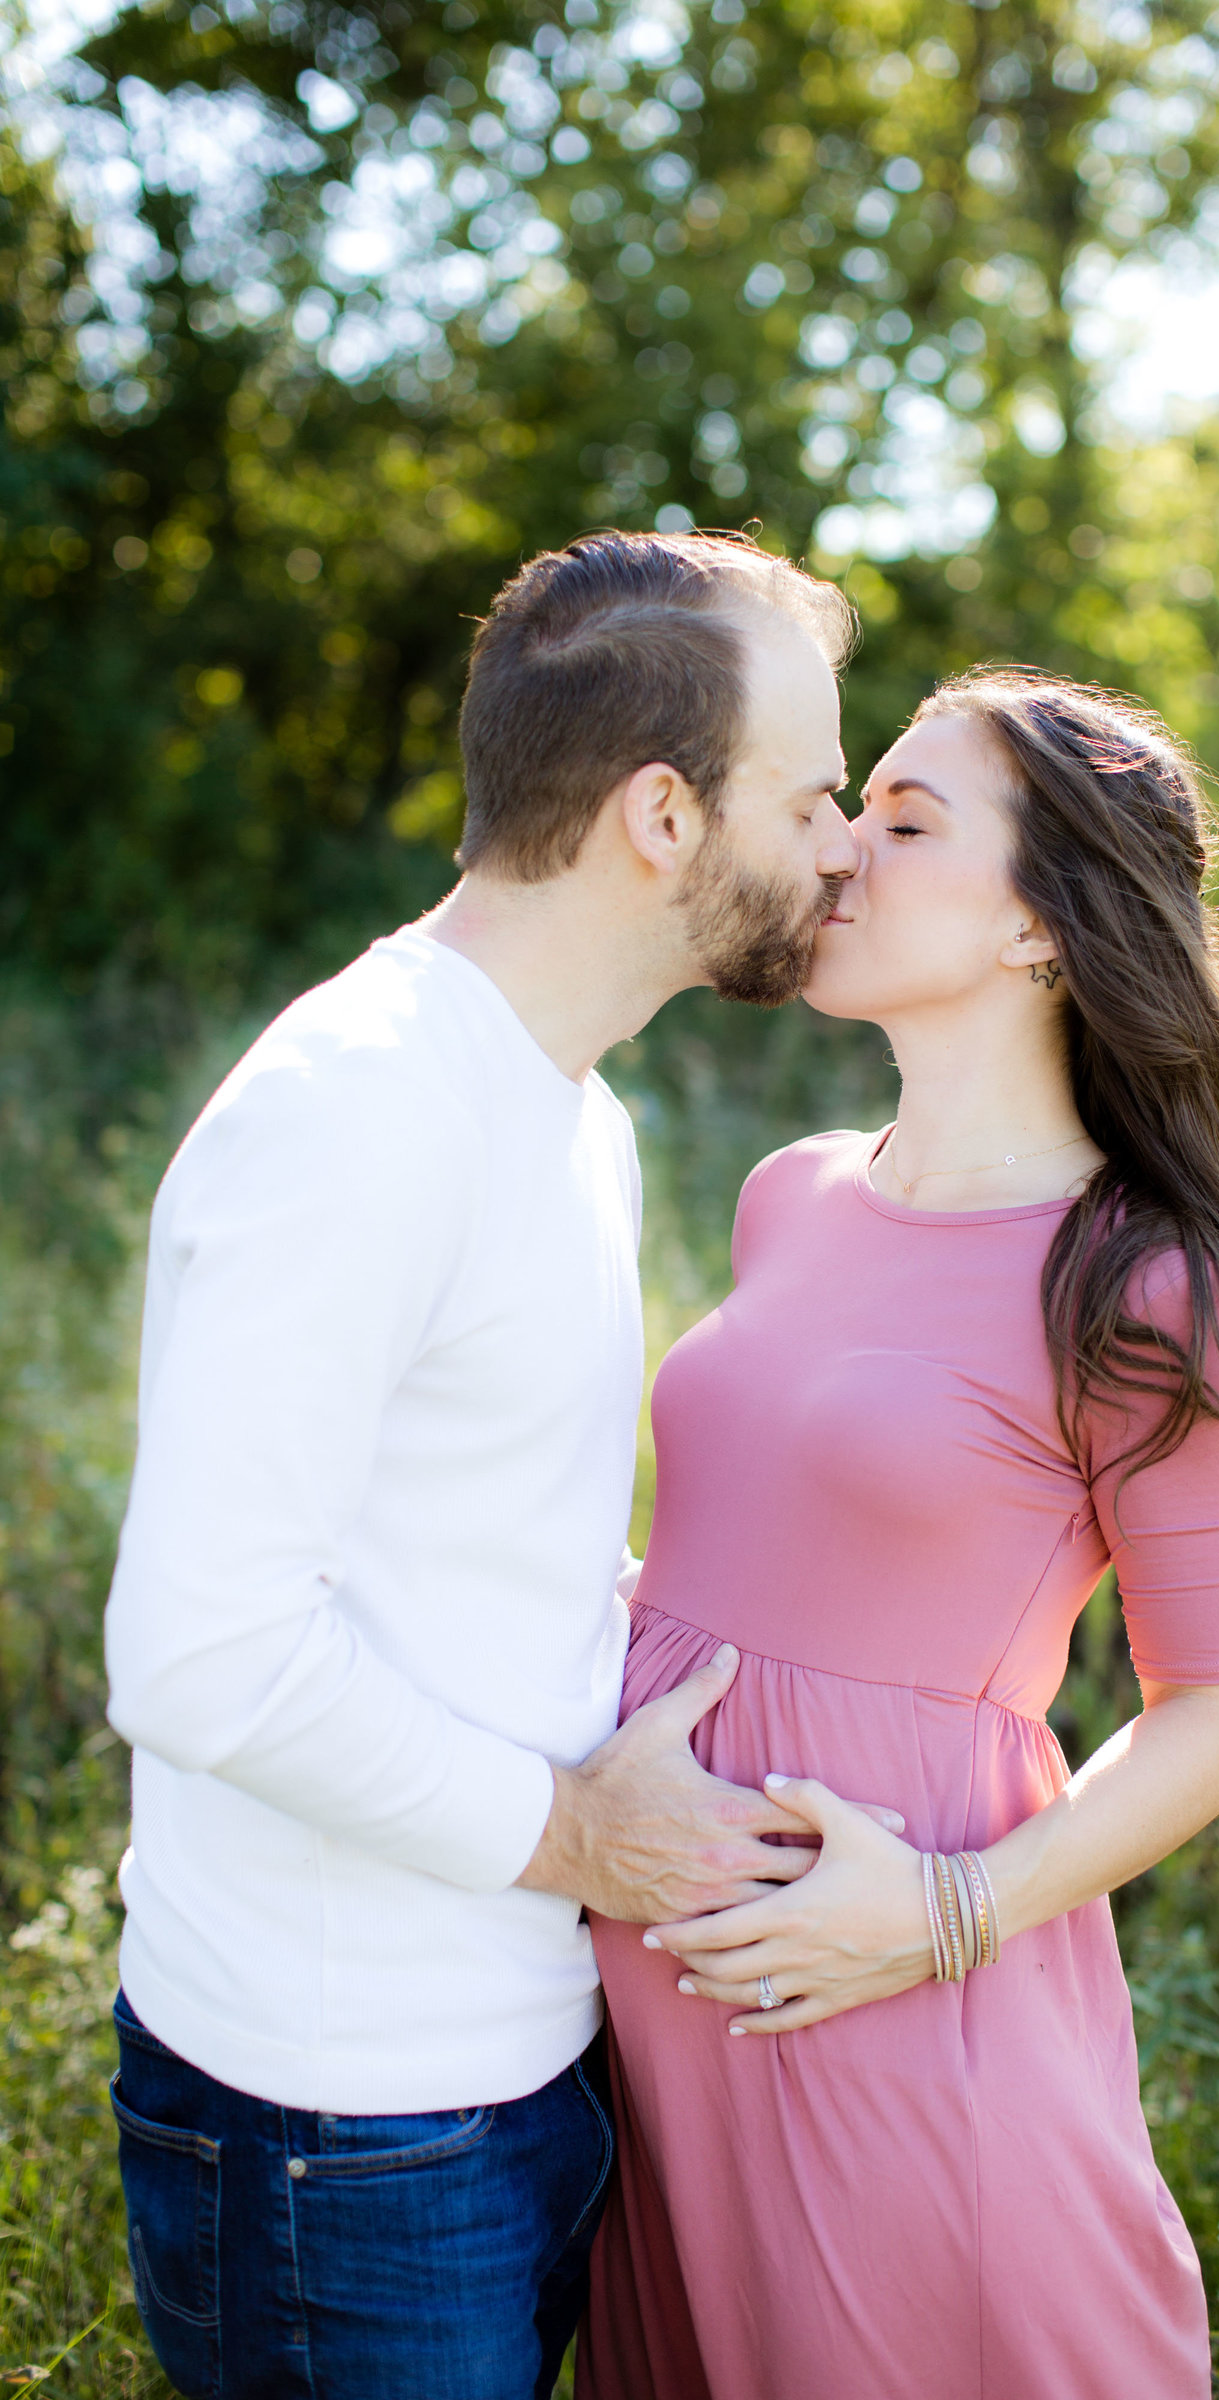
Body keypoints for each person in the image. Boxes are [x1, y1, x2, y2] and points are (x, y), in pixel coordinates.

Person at [101, 530, 894, 2400]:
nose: (848, 839)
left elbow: (465, 1549)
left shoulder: (568, 1108)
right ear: (661, 817)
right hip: (337, 2131)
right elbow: (199, 1655)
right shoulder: (357, 1111)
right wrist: (578, 1838)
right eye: (813, 792)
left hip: (519, 2070)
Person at [581, 667, 1219, 2400]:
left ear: (1041, 931)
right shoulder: (789, 1190)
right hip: (658, 2024)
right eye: (859, 806)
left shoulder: (1148, 1283)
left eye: (911, 823)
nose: (843, 851)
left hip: (892, 2008)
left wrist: (940, 1913)